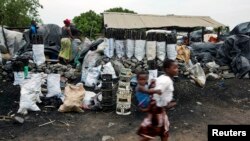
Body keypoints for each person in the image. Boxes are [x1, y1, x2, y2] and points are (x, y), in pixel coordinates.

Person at [137, 59, 179, 141]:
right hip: (157, 111)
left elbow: (154, 88)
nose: (177, 69)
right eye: (174, 68)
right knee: (150, 133)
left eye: (177, 67)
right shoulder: (165, 81)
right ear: (167, 69)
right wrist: (167, 105)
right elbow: (156, 95)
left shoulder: (163, 77)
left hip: (160, 111)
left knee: (164, 133)